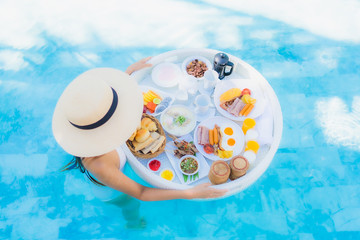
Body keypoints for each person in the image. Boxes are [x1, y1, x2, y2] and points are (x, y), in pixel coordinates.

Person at [53, 57, 228, 228]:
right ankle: (133, 223)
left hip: (113, 168)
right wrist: (189, 193)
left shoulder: (89, 130)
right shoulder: (100, 165)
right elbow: (141, 193)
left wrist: (128, 72)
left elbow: (103, 105)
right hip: (110, 191)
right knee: (129, 205)